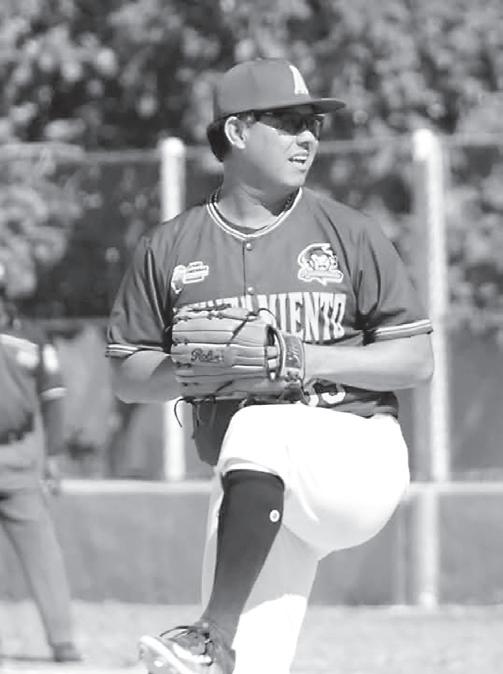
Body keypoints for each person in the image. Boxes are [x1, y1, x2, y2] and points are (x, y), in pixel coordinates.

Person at [106, 58, 434, 674]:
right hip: (253, 488)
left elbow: (416, 360)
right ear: (235, 131)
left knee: (257, 424)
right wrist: (203, 369)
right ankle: (216, 645)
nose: (307, 136)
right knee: (239, 664)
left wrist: (303, 357)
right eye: (287, 122)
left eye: (312, 123)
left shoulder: (348, 232)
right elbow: (126, 375)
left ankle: (211, 631)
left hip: (354, 453)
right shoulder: (169, 246)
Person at [0, 262, 81, 664]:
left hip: (18, 459)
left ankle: (62, 640)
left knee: (44, 554)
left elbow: (53, 397)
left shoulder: (29, 337)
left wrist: (53, 455)